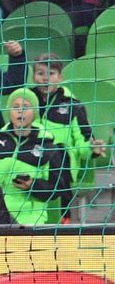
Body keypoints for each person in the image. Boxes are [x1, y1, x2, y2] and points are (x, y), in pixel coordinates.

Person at [30, 53, 106, 216]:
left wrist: (92, 149)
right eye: (40, 73)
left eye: (51, 74)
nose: (45, 78)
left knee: (58, 153)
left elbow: (82, 144)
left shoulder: (73, 105)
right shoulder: (27, 100)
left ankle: (63, 221)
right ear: (34, 76)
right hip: (31, 162)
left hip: (60, 167)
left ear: (60, 77)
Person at [0, 88, 71, 225]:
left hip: (32, 217)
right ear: (9, 112)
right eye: (16, 107)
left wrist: (33, 185)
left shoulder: (49, 147)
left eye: (26, 107)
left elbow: (56, 189)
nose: (20, 111)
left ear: (35, 112)